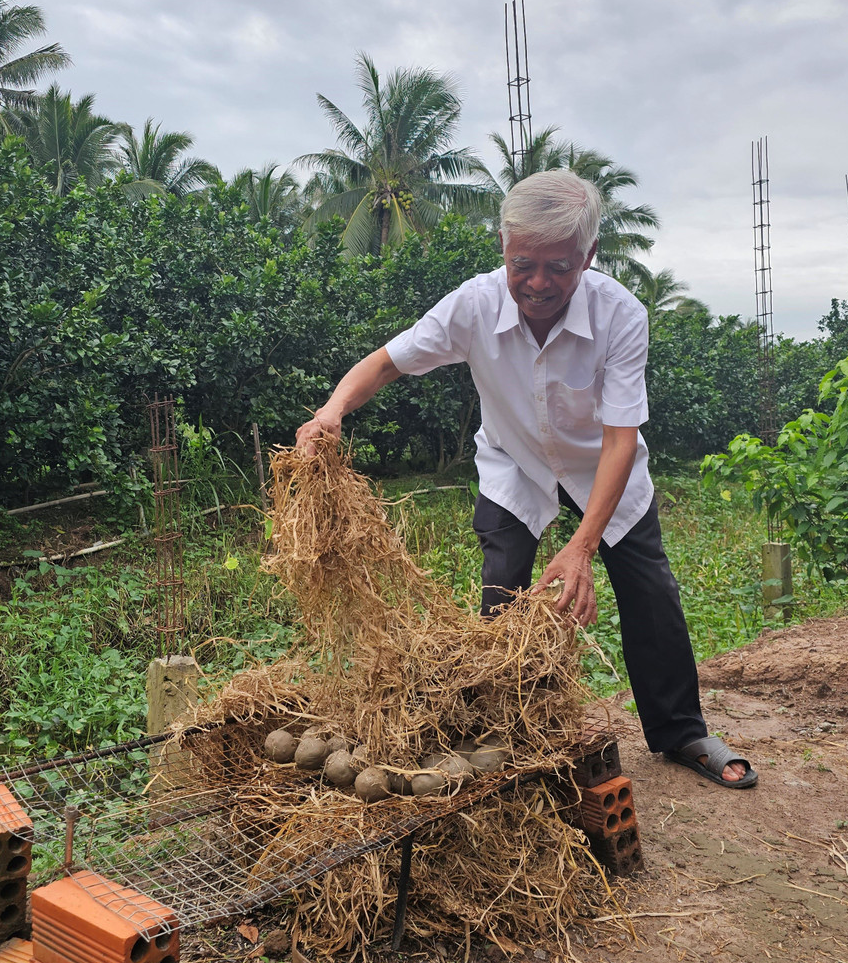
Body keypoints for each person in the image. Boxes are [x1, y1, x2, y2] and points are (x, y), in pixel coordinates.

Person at [295, 169, 756, 788]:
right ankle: (497, 735)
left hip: (604, 471)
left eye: (559, 267)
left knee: (650, 594)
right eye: (523, 264)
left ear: (588, 257)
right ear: (504, 249)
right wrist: (331, 412)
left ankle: (682, 733)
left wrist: (583, 545)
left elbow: (621, 439)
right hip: (513, 462)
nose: (538, 283)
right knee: (503, 594)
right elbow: (385, 363)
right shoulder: (474, 305)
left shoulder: (620, 315)